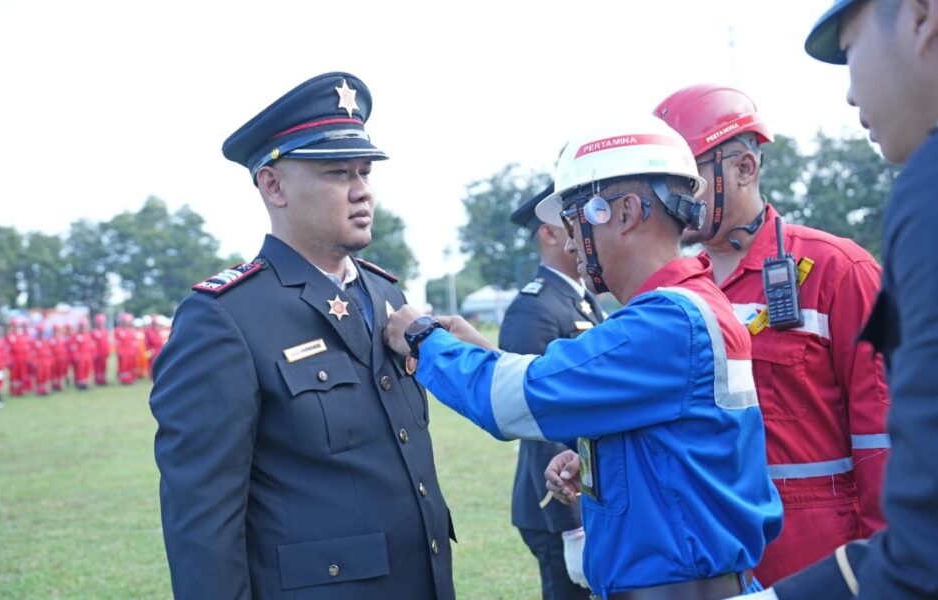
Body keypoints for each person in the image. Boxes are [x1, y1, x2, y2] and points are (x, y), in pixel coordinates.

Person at [385, 116, 783, 599]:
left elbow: (514, 401)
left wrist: (422, 337)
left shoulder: (667, 323)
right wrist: (611, 461)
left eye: (574, 220)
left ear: (626, 212)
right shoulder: (689, 308)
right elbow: (669, 438)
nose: (570, 241)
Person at [149, 72, 455, 600]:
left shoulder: (386, 295)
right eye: (337, 172)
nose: (362, 191)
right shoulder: (224, 318)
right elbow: (202, 521)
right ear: (274, 186)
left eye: (364, 172)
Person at [728, 2, 938, 599]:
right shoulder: (681, 288)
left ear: (921, 17)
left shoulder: (847, 257)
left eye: (849, 52)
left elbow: (919, 518)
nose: (849, 93)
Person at [653, 84, 890, 586]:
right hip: (709, 563)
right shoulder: (670, 293)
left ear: (744, 168)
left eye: (686, 178)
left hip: (815, 566)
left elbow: (885, 435)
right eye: (661, 181)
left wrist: (889, 568)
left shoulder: (835, 271)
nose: (671, 197)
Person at [503, 183, 603, 599]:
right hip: (556, 507)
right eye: (572, 222)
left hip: (585, 490)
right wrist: (572, 525)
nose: (587, 229)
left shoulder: (582, 299)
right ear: (547, 233)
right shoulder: (535, 307)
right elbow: (532, 417)